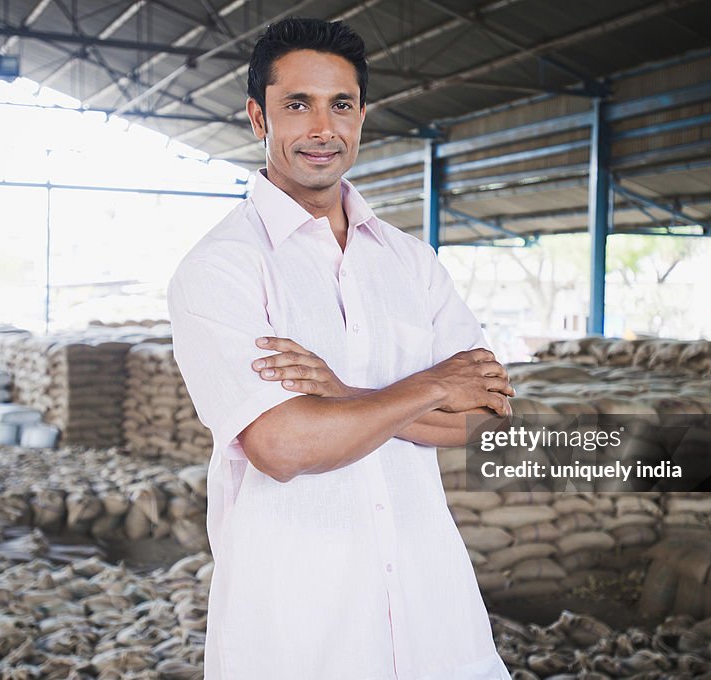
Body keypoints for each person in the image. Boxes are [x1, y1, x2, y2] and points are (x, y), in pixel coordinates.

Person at [167, 16, 515, 680]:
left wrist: (345, 395)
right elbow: (283, 447)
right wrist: (432, 385)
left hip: (434, 616)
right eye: (297, 104)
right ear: (256, 117)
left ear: (363, 115)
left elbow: (485, 416)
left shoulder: (411, 263)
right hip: (302, 631)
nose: (321, 127)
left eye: (340, 104)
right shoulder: (223, 268)